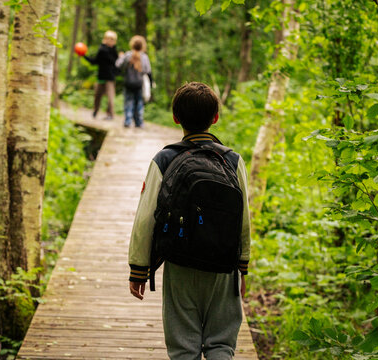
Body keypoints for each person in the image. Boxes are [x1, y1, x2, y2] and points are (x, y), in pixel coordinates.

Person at [127, 82, 251, 359]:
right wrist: (243, 265)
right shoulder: (233, 160)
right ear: (215, 118)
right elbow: (243, 217)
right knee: (221, 344)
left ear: (175, 118)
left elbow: (146, 216)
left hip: (179, 262)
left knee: (184, 347)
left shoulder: (165, 158)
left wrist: (139, 268)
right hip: (223, 266)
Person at [115, 35, 152, 128]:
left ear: (132, 44)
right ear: (143, 46)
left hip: (128, 83)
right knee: (139, 102)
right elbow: (148, 71)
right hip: (139, 84)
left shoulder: (127, 55)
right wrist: (151, 82)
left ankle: (127, 121)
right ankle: (139, 122)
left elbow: (118, 65)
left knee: (128, 101)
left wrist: (120, 57)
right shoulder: (144, 57)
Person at [82, 30, 118, 120]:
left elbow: (116, 63)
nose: (111, 41)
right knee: (97, 96)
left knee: (111, 98)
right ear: (105, 39)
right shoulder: (102, 50)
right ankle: (95, 111)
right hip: (101, 77)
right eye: (109, 39)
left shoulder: (114, 51)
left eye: (113, 39)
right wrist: (84, 56)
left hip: (110, 78)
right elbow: (94, 61)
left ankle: (110, 114)